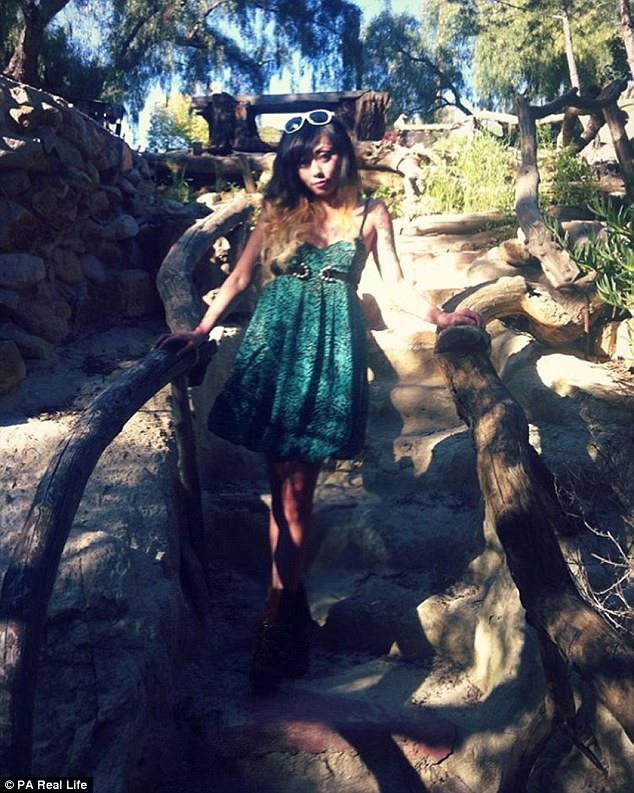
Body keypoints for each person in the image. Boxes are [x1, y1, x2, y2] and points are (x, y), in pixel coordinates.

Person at [156, 109, 483, 694]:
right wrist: (199, 332)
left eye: (327, 155)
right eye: (306, 159)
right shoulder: (276, 212)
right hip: (273, 350)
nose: (318, 168)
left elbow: (395, 284)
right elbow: (238, 281)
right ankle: (290, 614)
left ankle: (274, 622)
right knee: (282, 495)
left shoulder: (370, 213)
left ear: (344, 155)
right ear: (292, 165)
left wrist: (440, 316)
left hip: (328, 356)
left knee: (297, 496)